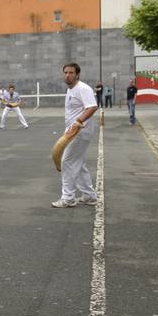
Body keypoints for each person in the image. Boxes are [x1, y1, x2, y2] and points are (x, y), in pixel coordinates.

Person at [52, 63, 99, 208]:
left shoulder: (83, 88)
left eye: (71, 72)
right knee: (78, 163)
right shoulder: (71, 89)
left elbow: (92, 107)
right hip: (71, 131)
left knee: (67, 162)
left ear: (77, 74)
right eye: (65, 72)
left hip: (79, 132)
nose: (67, 75)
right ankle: (89, 196)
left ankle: (68, 198)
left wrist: (78, 122)